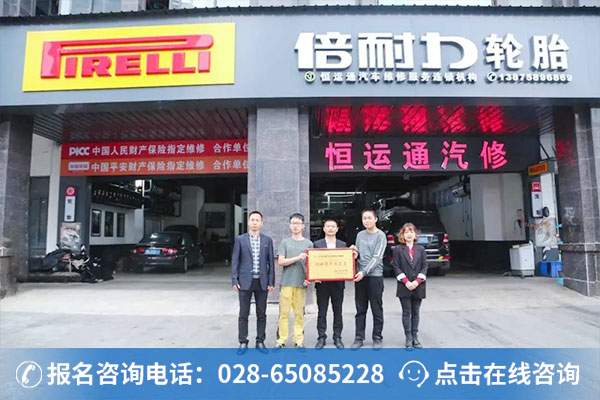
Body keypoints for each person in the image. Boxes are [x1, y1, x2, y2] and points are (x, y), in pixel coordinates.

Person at [231, 211, 275, 355]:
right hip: (244, 281)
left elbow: (270, 263)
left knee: (261, 313)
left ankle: (260, 341)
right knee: (243, 313)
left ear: (261, 223)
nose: (255, 222)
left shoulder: (267, 240)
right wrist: (234, 279)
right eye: (252, 220)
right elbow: (235, 261)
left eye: (257, 220)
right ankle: (243, 341)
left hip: (262, 282)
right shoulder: (240, 240)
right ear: (248, 222)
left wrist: (271, 281)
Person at [349, 209, 387, 350]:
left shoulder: (380, 236)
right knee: (360, 309)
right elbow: (358, 254)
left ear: (375, 219)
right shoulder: (360, 235)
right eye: (364, 218)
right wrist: (353, 252)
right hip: (360, 277)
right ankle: (359, 338)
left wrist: (364, 272)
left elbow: (377, 257)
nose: (366, 221)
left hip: (374, 276)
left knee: (376, 309)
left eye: (369, 218)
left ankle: (377, 338)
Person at [276, 213, 313, 350]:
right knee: (283, 313)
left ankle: (299, 340)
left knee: (299, 314)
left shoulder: (308, 244)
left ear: (303, 225)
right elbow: (281, 261)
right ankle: (281, 340)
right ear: (289, 225)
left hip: (301, 283)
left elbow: (312, 265)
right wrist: (297, 258)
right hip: (286, 283)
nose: (295, 226)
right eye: (293, 223)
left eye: (298, 223)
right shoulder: (285, 242)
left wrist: (309, 279)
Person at [393, 222, 428, 349]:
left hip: (418, 285)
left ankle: (415, 337)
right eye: (406, 232)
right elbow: (396, 266)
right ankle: (408, 337)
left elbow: (425, 266)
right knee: (406, 312)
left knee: (416, 312)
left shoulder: (421, 249)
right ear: (402, 235)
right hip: (404, 285)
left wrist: (417, 281)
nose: (409, 234)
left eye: (411, 232)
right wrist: (406, 281)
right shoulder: (398, 249)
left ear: (415, 234)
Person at [313, 219, 347, 349]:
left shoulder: (342, 244)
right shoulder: (317, 244)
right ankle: (321, 337)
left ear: (337, 229)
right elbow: (314, 263)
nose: (331, 228)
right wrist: (314, 276)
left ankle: (337, 337)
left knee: (338, 311)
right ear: (324, 228)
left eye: (333, 226)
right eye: (328, 226)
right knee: (322, 311)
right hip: (322, 283)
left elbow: (346, 263)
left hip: (338, 283)